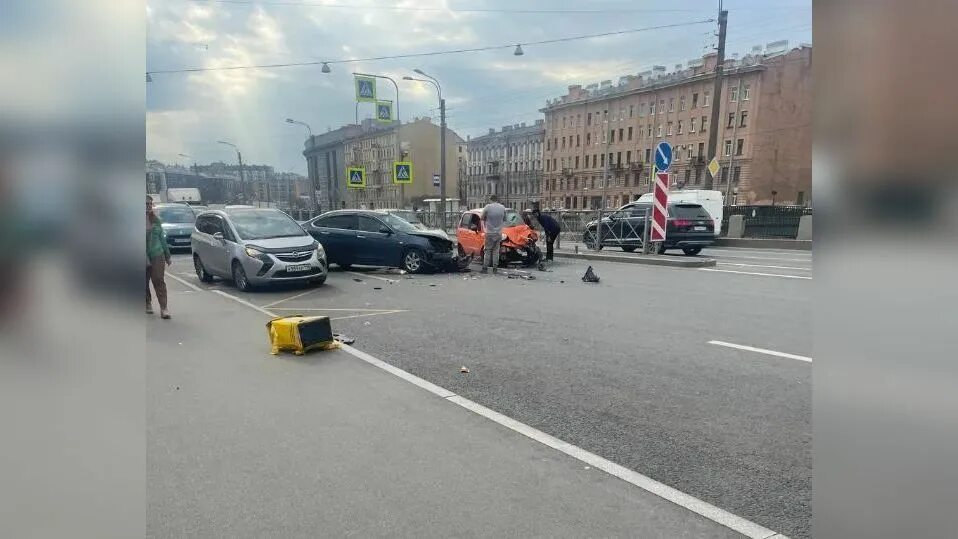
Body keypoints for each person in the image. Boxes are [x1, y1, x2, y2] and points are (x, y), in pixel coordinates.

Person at [146, 195, 172, 319]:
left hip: (157, 253)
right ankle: (147, 302)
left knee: (158, 279)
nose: (149, 206)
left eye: (150, 204)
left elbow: (162, 238)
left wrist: (167, 255)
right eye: (146, 204)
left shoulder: (156, 220)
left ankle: (164, 308)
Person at [480, 194, 506, 274]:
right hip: (498, 233)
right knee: (496, 251)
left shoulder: (488, 207)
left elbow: (482, 217)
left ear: (490, 199)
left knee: (487, 250)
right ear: (497, 199)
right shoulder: (502, 207)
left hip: (489, 232)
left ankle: (485, 268)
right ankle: (495, 268)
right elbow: (504, 219)